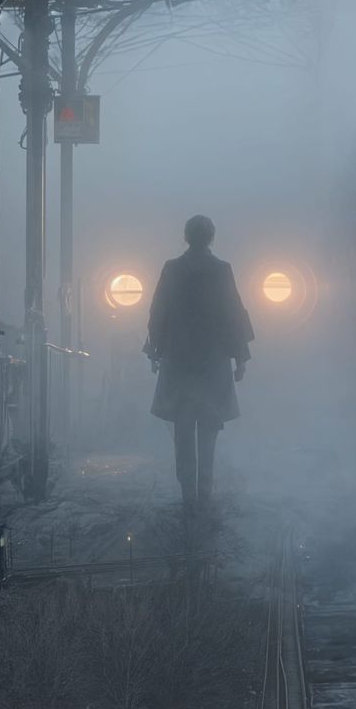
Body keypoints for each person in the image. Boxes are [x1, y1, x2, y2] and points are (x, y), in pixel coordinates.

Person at [143, 215, 254, 514]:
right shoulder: (221, 270)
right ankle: (204, 492)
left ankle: (187, 494)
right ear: (211, 237)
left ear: (186, 236)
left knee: (182, 428)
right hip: (212, 361)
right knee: (208, 427)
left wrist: (155, 350)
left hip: (179, 360)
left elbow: (158, 311)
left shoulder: (172, 269)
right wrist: (240, 358)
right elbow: (234, 314)